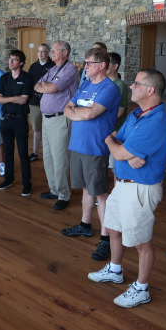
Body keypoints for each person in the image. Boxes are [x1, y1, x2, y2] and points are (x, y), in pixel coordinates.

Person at [87, 69, 166, 308]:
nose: (131, 86)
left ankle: (142, 288)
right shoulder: (137, 113)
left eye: (136, 83)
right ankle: (115, 270)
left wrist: (122, 151)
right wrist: (123, 151)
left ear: (150, 90)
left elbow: (118, 148)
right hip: (122, 184)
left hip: (140, 189)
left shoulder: (156, 122)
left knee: (141, 242)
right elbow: (113, 137)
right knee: (113, 229)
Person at [61, 48, 121, 261]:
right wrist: (80, 114)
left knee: (101, 194)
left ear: (102, 65)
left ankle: (105, 238)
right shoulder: (85, 85)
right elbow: (66, 108)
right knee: (86, 188)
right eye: (85, 63)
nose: (84, 67)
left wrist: (79, 113)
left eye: (89, 63)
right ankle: (85, 225)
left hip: (95, 147)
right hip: (77, 145)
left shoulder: (109, 89)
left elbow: (89, 113)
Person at [34, 41, 79, 210]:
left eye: (54, 50)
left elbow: (52, 88)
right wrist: (46, 86)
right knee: (48, 157)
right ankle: (54, 189)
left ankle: (63, 194)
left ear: (65, 53)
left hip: (60, 119)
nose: (50, 53)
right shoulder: (53, 69)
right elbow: (37, 85)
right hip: (46, 119)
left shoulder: (69, 70)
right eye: (51, 50)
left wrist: (47, 86)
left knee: (60, 159)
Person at [0, 49, 35, 196]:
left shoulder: (27, 78)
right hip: (5, 119)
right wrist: (13, 99)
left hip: (20, 120)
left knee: (23, 153)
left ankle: (27, 184)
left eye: (14, 59)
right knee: (8, 152)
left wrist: (8, 98)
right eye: (9, 59)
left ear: (21, 63)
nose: (10, 62)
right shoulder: (4, 78)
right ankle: (9, 179)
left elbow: (24, 99)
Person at [27, 43, 55, 161]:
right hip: (35, 102)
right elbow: (29, 83)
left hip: (50, 102)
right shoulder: (33, 66)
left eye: (43, 51)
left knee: (50, 129)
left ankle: (51, 153)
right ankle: (35, 152)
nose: (40, 53)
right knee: (36, 128)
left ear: (48, 53)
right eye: (39, 51)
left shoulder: (53, 66)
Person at [107, 52, 129, 171]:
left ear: (115, 66)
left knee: (115, 167)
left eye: (107, 63)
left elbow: (120, 112)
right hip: (103, 130)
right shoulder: (102, 83)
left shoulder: (120, 85)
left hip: (115, 131)